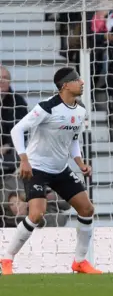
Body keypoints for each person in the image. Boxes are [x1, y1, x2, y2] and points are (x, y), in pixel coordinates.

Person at [0, 67, 99, 275]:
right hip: (36, 167)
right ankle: (7, 258)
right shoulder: (47, 107)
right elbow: (16, 129)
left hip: (60, 169)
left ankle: (79, 261)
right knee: (36, 214)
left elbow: (73, 141)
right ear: (65, 86)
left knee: (87, 209)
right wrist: (24, 160)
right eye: (76, 80)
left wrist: (80, 164)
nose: (82, 82)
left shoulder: (80, 110)